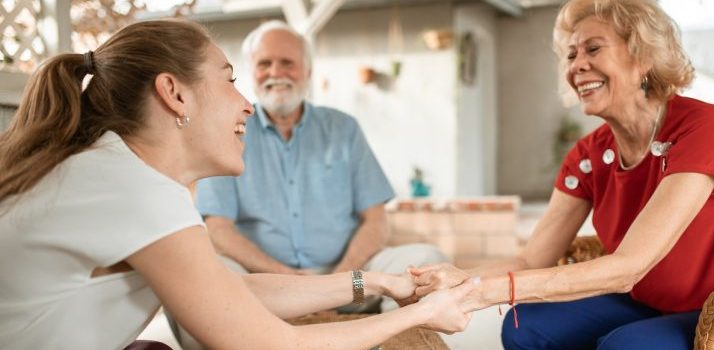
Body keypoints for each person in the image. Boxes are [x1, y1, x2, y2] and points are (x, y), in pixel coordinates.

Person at [0, 19, 477, 350]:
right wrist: (419, 313)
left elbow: (230, 291)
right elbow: (277, 343)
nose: (246, 104)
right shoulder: (134, 189)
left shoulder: (114, 169)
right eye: (230, 80)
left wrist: (376, 281)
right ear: (174, 92)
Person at [408, 0, 714, 349]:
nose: (577, 66)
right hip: (645, 296)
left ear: (642, 57)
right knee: (526, 329)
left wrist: (483, 292)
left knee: (623, 345)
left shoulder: (701, 127)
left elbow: (628, 266)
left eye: (593, 49)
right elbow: (531, 260)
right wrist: (456, 279)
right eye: (571, 54)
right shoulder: (588, 154)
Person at [194, 21, 446, 307]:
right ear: (251, 72)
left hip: (354, 281)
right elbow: (218, 229)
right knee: (201, 275)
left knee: (427, 262)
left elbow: (376, 220)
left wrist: (338, 280)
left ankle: (389, 335)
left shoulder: (343, 128)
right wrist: (283, 276)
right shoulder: (229, 132)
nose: (275, 73)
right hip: (267, 285)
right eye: (265, 64)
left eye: (287, 63)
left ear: (308, 72)